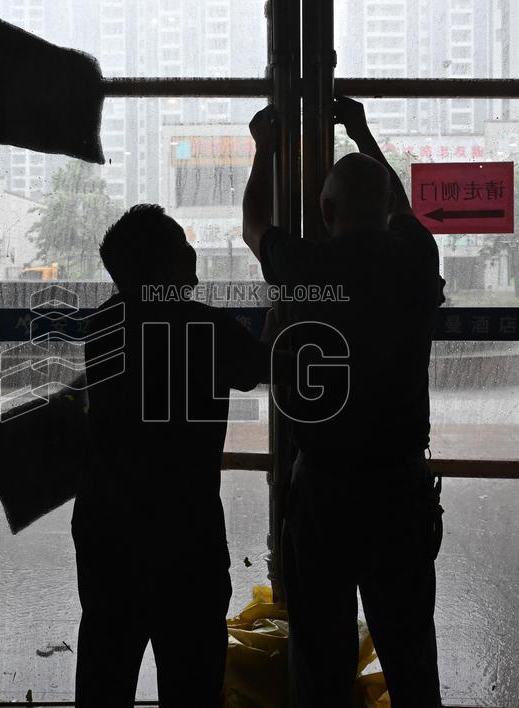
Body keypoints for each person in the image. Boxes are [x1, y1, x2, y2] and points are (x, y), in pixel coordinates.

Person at [241, 97, 447, 707]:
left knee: (320, 659)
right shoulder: (414, 259)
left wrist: (264, 150)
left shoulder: (306, 266)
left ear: (324, 211)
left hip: (324, 494)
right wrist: (360, 133)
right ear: (386, 208)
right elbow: (403, 211)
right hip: (398, 490)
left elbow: (254, 225)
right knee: (410, 654)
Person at [72, 204, 278, 707]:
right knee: (190, 679)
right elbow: (268, 365)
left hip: (109, 534)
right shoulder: (207, 328)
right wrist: (281, 312)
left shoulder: (102, 327)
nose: (193, 253)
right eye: (183, 246)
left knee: (106, 669)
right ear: (166, 266)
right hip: (186, 539)